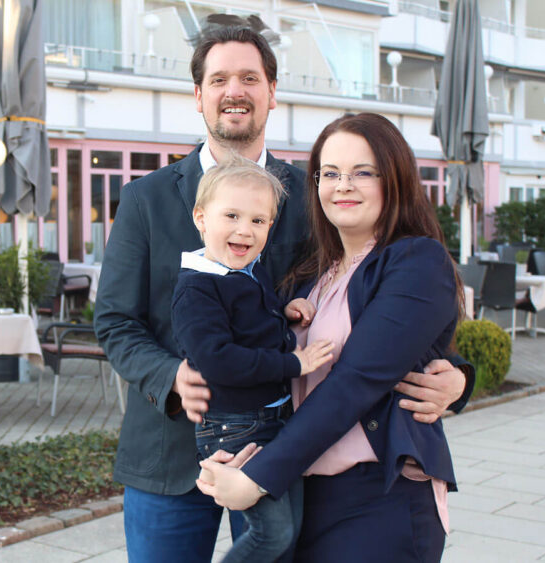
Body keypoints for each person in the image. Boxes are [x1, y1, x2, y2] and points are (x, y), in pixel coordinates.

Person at [94, 20, 473, 563]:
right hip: (171, 449)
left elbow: (367, 314)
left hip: (288, 452)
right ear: (198, 95)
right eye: (220, 78)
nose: (235, 91)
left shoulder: (314, 194)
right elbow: (114, 321)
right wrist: (168, 375)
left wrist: (456, 377)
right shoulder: (145, 199)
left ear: (272, 93)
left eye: (250, 77)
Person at [196, 112, 466, 562]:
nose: (343, 185)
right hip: (300, 493)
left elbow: (357, 378)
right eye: (330, 173)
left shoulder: (418, 261)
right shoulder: (311, 274)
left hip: (377, 501)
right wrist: (227, 451)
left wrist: (258, 476)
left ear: (394, 179)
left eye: (363, 172)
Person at [172, 156, 334, 562]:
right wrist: (294, 364)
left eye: (259, 221)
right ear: (201, 218)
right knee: (271, 534)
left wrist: (287, 309)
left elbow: (253, 320)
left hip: (273, 418)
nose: (245, 230)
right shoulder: (197, 290)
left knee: (291, 531)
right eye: (232, 216)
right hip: (236, 427)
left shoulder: (247, 269)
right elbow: (220, 360)